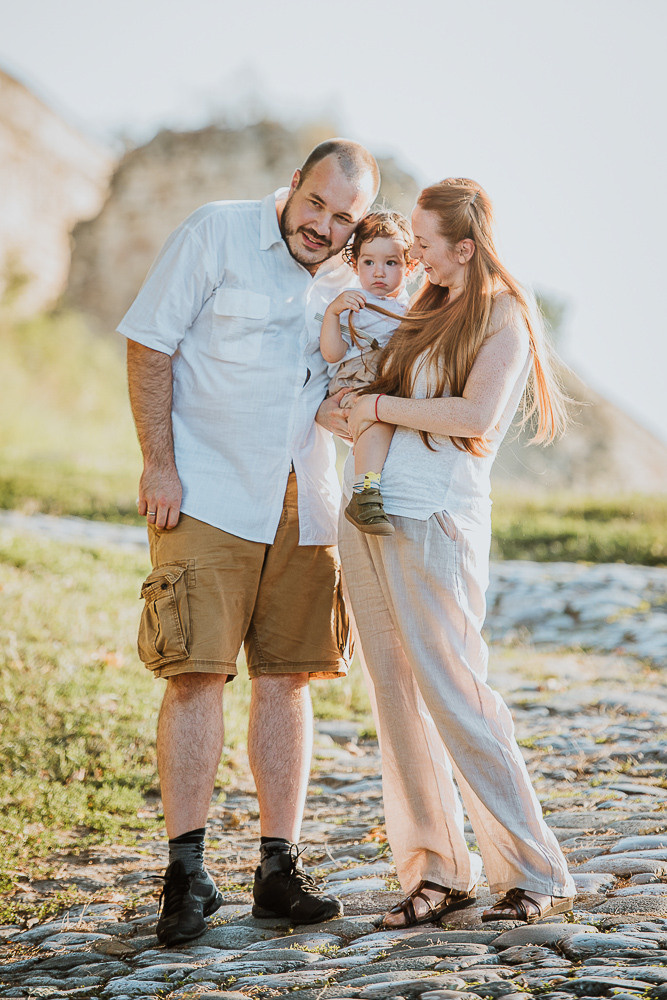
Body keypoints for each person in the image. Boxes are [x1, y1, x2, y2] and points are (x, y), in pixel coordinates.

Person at [117, 139, 380, 945]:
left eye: (344, 218)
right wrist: (158, 465)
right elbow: (149, 344)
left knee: (289, 677)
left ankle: (277, 868)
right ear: (292, 185)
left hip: (306, 497)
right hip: (206, 489)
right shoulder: (217, 232)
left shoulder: (354, 276)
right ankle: (186, 874)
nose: (325, 227)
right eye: (316, 206)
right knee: (195, 671)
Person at [338, 178, 576, 927]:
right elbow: (353, 382)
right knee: (397, 701)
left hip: (436, 518)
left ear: (463, 246)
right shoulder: (422, 302)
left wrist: (375, 407)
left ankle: (533, 870)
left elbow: (473, 416)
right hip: (366, 515)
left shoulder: (503, 311)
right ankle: (435, 871)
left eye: (425, 241)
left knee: (458, 695)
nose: (410, 251)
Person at [319, 211, 412, 536]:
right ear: (355, 264)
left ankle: (372, 488)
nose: (379, 273)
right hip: (357, 380)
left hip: (388, 380)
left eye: (391, 263)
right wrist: (333, 313)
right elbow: (332, 353)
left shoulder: (411, 309)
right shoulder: (353, 304)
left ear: (409, 266)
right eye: (369, 263)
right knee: (379, 418)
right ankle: (365, 492)